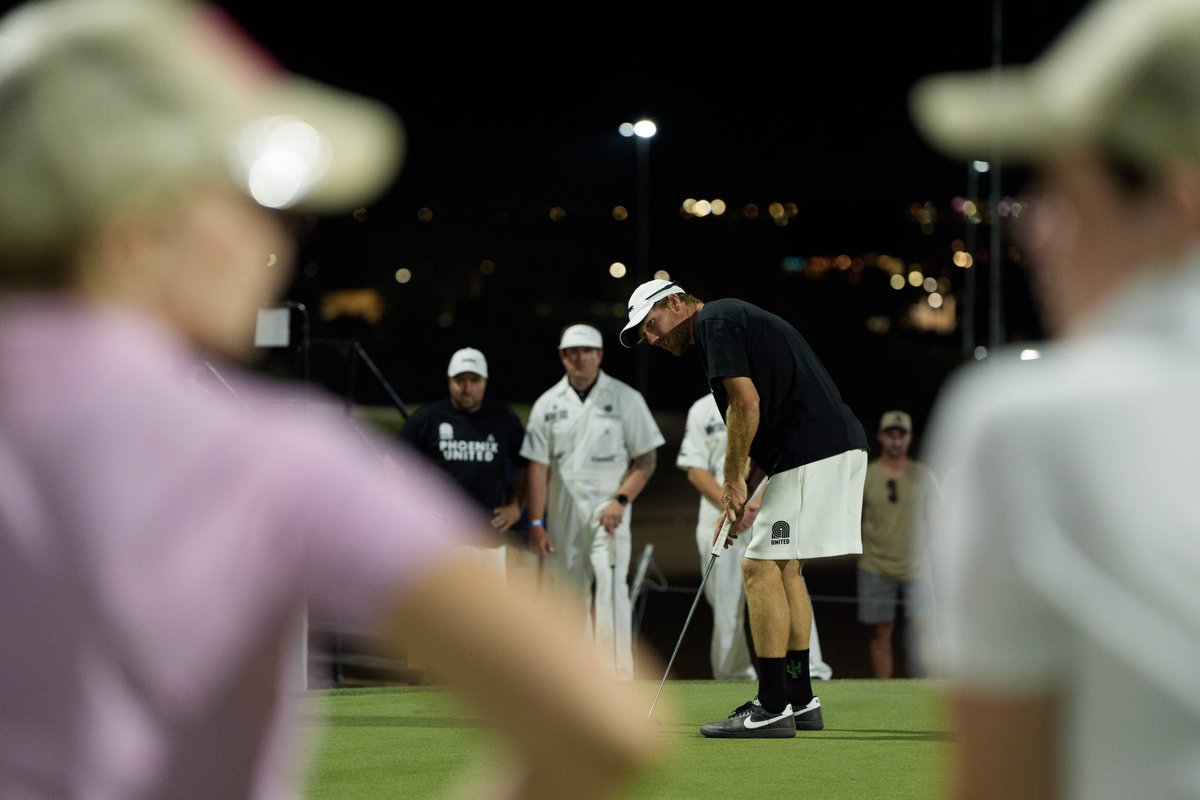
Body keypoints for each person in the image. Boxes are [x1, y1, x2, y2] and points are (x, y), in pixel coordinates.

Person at [0, 2, 667, 798]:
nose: (282, 231)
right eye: (245, 194)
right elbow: (604, 721)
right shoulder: (257, 454)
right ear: (136, 223)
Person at [909, 0, 1200, 796]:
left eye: (1069, 191)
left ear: (1179, 200)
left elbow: (1003, 783)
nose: (1034, 230)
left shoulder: (1032, 420)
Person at [621, 280, 867, 738]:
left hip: (813, 451)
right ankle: (799, 699)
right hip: (827, 448)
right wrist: (739, 498)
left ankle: (771, 705)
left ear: (676, 303)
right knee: (785, 569)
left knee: (757, 568)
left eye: (652, 325)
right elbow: (763, 427)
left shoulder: (714, 321)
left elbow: (745, 405)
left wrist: (732, 481)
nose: (652, 339)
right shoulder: (726, 320)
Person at [520, 323, 665, 681]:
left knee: (612, 591)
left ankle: (617, 680)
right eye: (572, 351)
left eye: (587, 351)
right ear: (562, 357)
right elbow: (537, 468)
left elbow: (645, 461)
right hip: (564, 515)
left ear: (600, 355)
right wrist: (536, 523)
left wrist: (621, 500)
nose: (580, 357)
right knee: (567, 595)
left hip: (610, 513)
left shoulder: (626, 398)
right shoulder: (547, 405)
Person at [676, 390, 834, 681]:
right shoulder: (701, 409)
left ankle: (808, 670)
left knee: (789, 585)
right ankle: (732, 675)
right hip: (720, 519)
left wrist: (752, 503)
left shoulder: (764, 401)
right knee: (725, 604)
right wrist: (733, 506)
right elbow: (695, 470)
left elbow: (782, 454)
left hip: (770, 513)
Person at [398, 347, 529, 578]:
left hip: (488, 535)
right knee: (440, 610)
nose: (467, 387)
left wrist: (516, 507)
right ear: (450, 381)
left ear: (485, 381)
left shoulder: (502, 418)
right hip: (440, 537)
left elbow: (525, 463)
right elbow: (395, 459)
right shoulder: (429, 417)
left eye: (474, 380)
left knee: (489, 610)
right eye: (460, 380)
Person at [857, 409, 940, 679]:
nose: (896, 441)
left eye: (901, 435)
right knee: (881, 631)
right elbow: (852, 517)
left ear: (909, 438)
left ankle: (929, 686)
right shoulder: (866, 475)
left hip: (918, 567)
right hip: (875, 565)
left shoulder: (923, 476)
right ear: (881, 437)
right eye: (890, 435)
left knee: (926, 629)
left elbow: (938, 518)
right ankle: (884, 689)